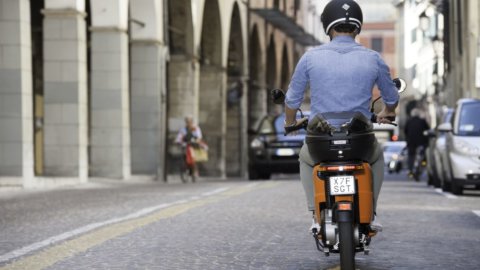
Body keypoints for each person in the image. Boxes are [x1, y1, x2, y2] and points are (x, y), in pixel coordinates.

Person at [283, 0, 399, 233]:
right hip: (359, 139)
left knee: (306, 159)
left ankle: (315, 215)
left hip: (321, 139)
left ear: (327, 26)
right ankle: (372, 212)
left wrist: (290, 123)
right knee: (375, 159)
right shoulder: (373, 58)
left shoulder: (309, 58)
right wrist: (387, 112)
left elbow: (291, 101)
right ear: (357, 27)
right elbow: (392, 98)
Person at [404, 108, 430, 177]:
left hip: (411, 143)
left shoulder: (409, 121)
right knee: (423, 155)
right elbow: (427, 130)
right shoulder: (422, 121)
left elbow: (405, 131)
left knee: (411, 157)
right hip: (421, 142)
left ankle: (410, 170)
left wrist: (407, 139)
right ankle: (422, 165)